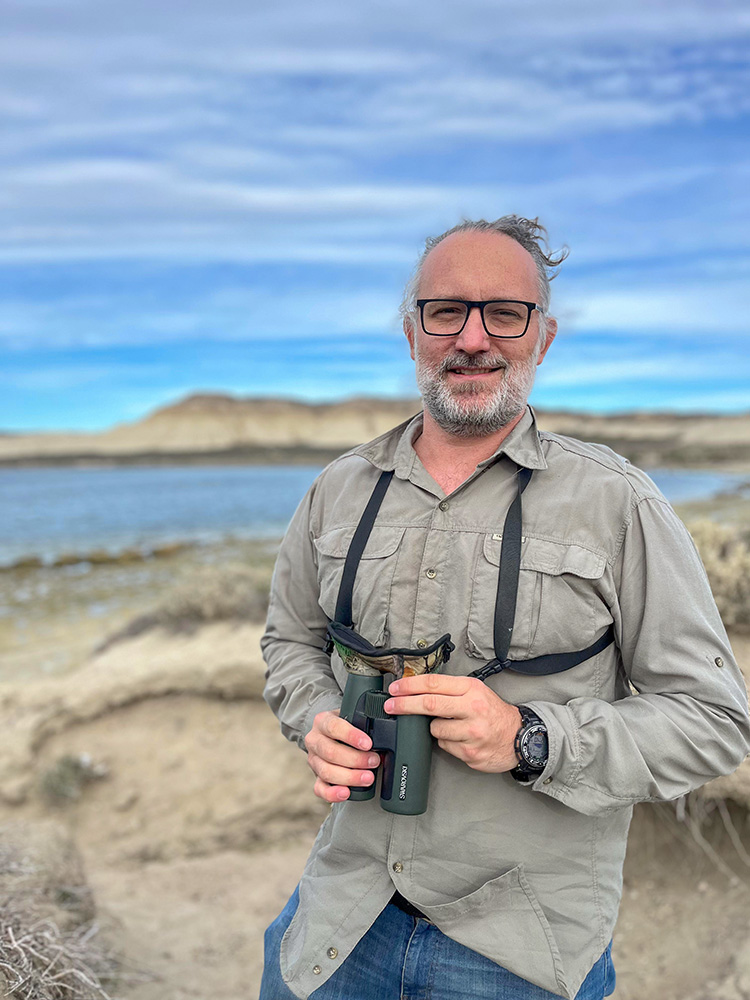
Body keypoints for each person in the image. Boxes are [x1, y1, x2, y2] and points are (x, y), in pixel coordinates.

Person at [260, 216, 750, 1000]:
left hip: (520, 942)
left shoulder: (617, 503)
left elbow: (714, 719)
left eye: (505, 313)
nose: (473, 338)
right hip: (339, 917)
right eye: (445, 311)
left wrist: (529, 739)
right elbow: (290, 640)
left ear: (543, 337)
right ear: (412, 331)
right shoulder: (336, 491)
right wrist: (317, 716)